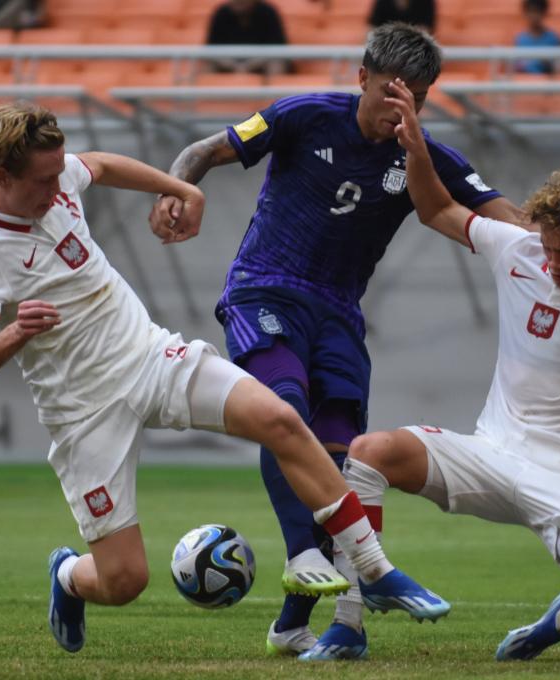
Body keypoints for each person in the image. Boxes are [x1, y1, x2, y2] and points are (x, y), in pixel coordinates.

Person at [0, 101, 450, 655]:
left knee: (280, 418)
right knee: (124, 580)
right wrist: (16, 333)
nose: (54, 189)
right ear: (0, 177)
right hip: (83, 409)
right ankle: (67, 576)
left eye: (57, 173)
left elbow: (103, 167)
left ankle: (374, 569)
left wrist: (185, 189)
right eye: (42, 182)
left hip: (148, 355)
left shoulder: (55, 171)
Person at [151, 23, 526, 657]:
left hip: (339, 317)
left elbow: (510, 220)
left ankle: (293, 623)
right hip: (264, 289)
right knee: (282, 411)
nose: (397, 111)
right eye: (388, 94)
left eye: (415, 100)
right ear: (362, 79)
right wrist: (178, 191)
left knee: (337, 461)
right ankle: (301, 551)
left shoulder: (422, 158)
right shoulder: (303, 117)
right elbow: (205, 151)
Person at [304, 76, 560, 662]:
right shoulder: (519, 250)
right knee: (367, 453)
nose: (554, 262)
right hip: (491, 453)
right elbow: (437, 207)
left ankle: (558, 621)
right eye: (549, 248)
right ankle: (349, 624)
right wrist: (416, 149)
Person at [205, 0, 289, 76]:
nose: (238, 2)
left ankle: (274, 92)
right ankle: (205, 92)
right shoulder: (221, 13)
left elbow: (277, 49)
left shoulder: (269, 12)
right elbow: (211, 50)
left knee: (276, 63)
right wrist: (233, 65)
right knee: (208, 66)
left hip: (261, 62)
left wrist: (249, 65)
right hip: (228, 63)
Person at [514, 0, 560, 75]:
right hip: (525, 82)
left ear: (544, 13)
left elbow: (555, 65)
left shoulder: (552, 38)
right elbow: (517, 65)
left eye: (537, 12)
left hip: (547, 83)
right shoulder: (520, 39)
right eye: (531, 11)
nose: (534, 16)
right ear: (525, 13)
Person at [369, 0, 436, 33]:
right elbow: (371, 29)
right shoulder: (382, 2)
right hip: (386, 51)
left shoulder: (426, 2)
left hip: (416, 52)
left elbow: (425, 32)